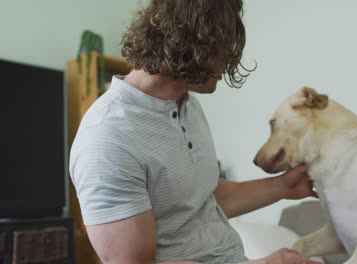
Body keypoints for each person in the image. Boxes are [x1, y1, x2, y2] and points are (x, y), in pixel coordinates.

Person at [69, 1, 320, 264]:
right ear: (194, 42)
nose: (227, 64)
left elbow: (196, 199)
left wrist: (282, 186)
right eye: (225, 50)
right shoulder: (107, 139)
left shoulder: (187, 105)